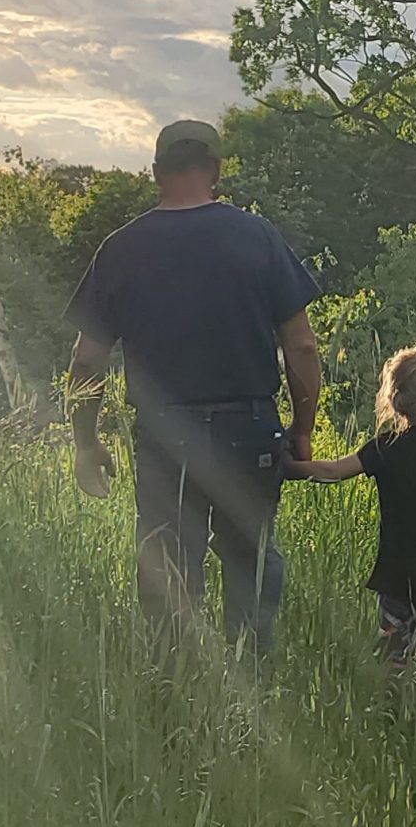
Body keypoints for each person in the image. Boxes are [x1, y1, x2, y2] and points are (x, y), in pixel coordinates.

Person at [66, 117, 324, 656]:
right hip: (248, 431)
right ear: (216, 170)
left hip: (164, 438)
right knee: (251, 563)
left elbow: (87, 359)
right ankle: (250, 696)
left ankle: (174, 702)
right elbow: (301, 346)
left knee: (168, 570)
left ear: (157, 172)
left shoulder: (121, 248)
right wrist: (301, 431)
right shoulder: (256, 236)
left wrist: (86, 441)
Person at [289, 341, 416, 669]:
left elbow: (332, 471)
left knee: (395, 655)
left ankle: (395, 710)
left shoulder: (386, 449)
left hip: (400, 573)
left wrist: (283, 469)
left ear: (394, 398)